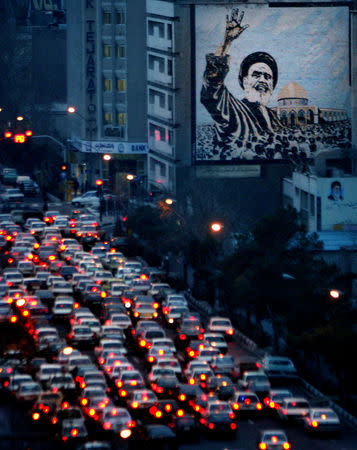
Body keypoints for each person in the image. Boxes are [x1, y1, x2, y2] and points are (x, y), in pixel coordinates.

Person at [200, 8, 282, 156]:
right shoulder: (233, 110)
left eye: (267, 77)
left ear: (273, 85)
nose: (263, 80)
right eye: (256, 75)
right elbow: (212, 91)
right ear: (245, 81)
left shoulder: (273, 117)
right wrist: (226, 43)